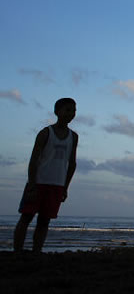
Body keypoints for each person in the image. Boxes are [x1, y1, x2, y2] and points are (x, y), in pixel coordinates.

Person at [14, 97, 79, 253]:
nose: (71, 113)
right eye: (68, 110)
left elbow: (72, 163)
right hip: (39, 182)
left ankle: (37, 250)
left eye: (74, 110)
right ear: (57, 112)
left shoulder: (73, 137)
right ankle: (17, 250)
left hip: (56, 185)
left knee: (45, 220)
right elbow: (33, 160)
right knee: (26, 217)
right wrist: (32, 184)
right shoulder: (45, 133)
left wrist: (65, 187)